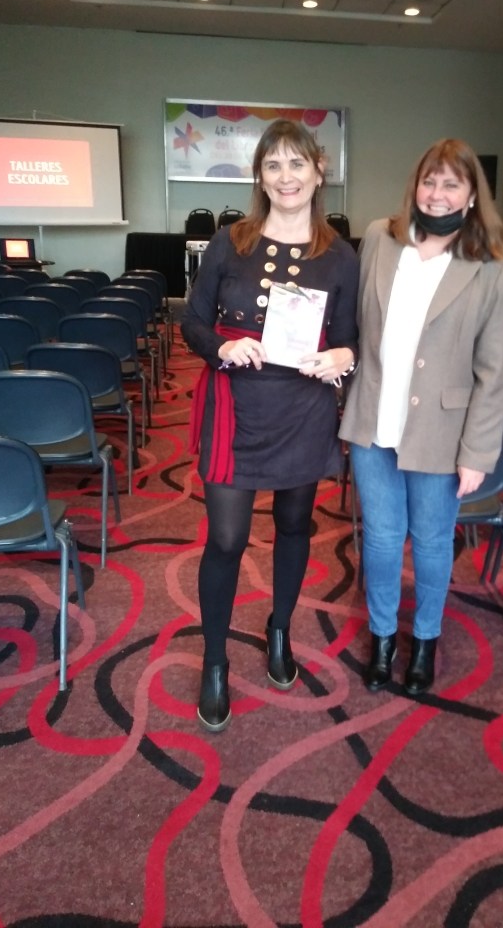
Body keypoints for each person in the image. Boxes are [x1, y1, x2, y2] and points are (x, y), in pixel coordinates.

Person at [181, 119, 359, 732]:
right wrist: (221, 347)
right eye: (274, 165)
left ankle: (279, 628)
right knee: (227, 539)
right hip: (236, 405)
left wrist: (344, 356)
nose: (286, 177)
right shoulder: (229, 242)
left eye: (297, 164)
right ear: (260, 176)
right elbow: (192, 321)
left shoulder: (340, 256)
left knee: (293, 525)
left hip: (303, 408)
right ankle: (215, 661)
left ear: (318, 171)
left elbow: (349, 338)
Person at [339, 138, 503, 696]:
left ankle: (426, 642)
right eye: (429, 181)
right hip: (374, 421)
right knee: (382, 539)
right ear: (415, 185)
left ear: (471, 196)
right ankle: (383, 638)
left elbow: (494, 371)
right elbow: (355, 322)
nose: (437, 194)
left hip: (443, 431)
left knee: (434, 542)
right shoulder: (379, 237)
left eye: (451, 184)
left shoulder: (492, 267)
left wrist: (477, 453)